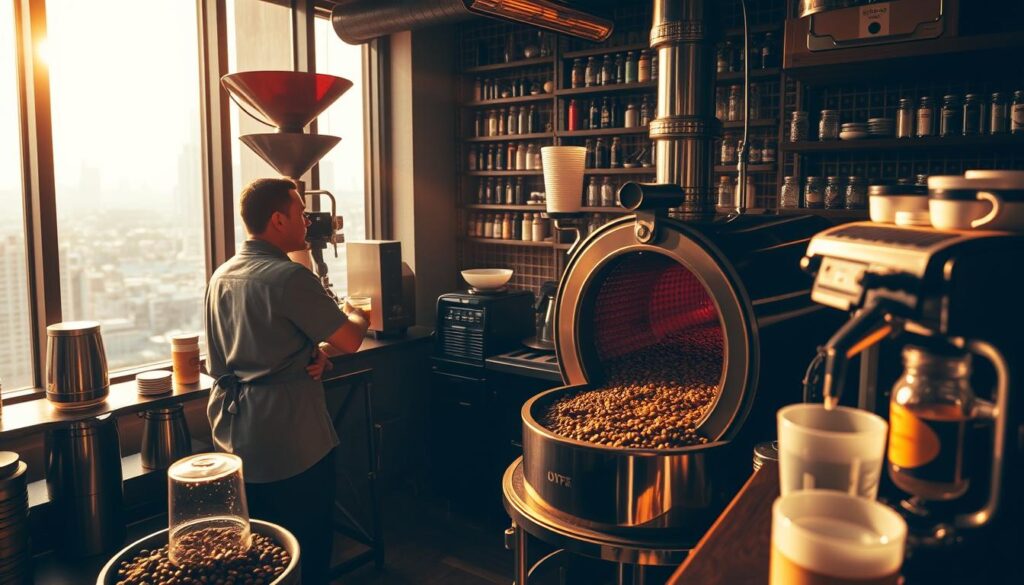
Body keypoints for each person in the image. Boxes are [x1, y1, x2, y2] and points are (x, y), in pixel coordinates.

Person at [204, 177, 369, 584]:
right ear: (278, 220)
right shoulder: (288, 276)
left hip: (234, 432)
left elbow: (234, 354)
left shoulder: (222, 275)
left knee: (258, 552)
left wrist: (310, 355)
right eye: (300, 213)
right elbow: (349, 340)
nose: (307, 223)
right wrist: (359, 312)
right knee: (306, 545)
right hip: (291, 437)